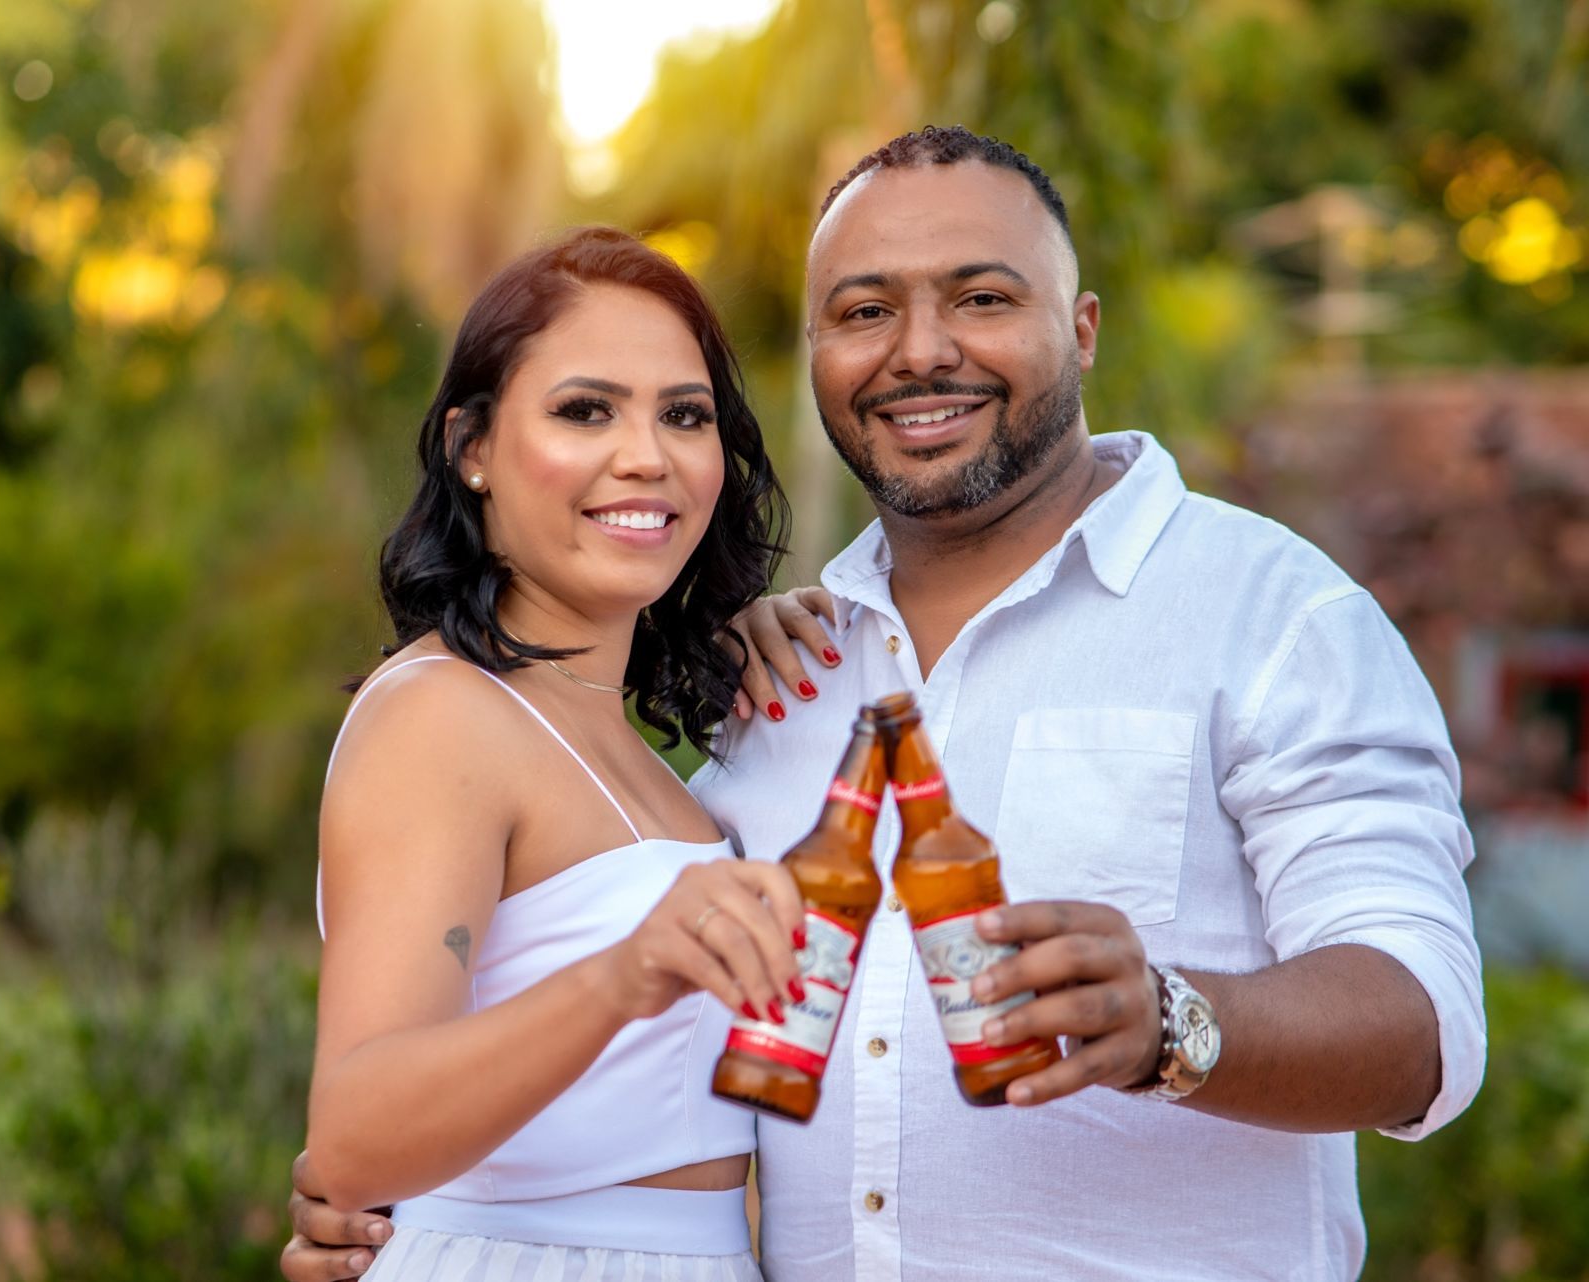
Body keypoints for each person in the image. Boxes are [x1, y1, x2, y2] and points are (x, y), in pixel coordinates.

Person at [286, 128, 1485, 1281]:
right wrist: (424, 1214)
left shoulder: (1271, 615)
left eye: (982, 297)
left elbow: (1425, 1018)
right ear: (816, 353)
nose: (920, 351)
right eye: (865, 311)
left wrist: (1174, 1022)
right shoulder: (786, 683)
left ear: (1081, 329)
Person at [302, 225, 808, 1281]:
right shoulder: (442, 716)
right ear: (472, 448)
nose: (647, 455)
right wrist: (625, 974)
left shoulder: (648, 756)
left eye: (685, 415)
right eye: (586, 410)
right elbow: (354, 1136)